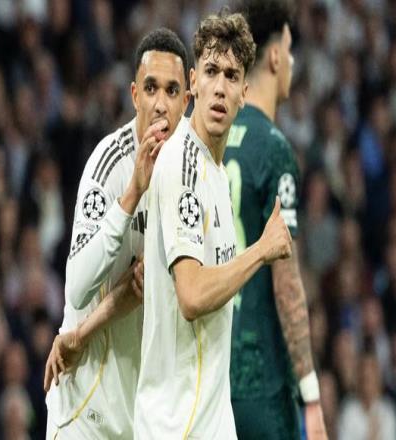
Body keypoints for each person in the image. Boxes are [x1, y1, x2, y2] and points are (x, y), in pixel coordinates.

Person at [134, 11, 292, 439]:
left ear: (244, 93)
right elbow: (191, 294)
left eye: (231, 75)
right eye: (211, 72)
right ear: (193, 84)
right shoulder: (183, 162)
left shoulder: (216, 175)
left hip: (210, 419)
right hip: (175, 425)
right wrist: (260, 251)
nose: (220, 87)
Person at [44, 28, 190, 439]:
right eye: (150, 88)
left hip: (143, 418)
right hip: (86, 411)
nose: (160, 103)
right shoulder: (108, 165)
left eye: (171, 90)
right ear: (134, 95)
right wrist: (132, 195)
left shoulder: (192, 177)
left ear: (186, 100)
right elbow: (76, 289)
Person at [224, 0, 327, 438]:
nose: (292, 61)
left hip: (207, 376)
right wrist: (311, 394)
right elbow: (286, 282)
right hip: (260, 380)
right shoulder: (273, 148)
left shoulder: (207, 136)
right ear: (272, 56)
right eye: (288, 48)